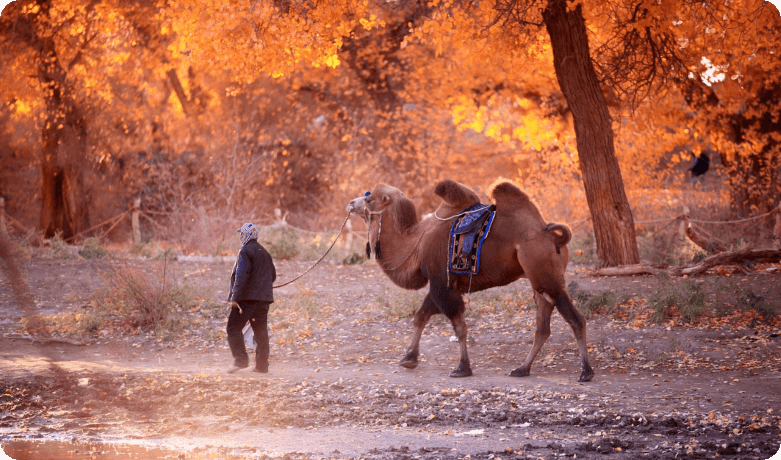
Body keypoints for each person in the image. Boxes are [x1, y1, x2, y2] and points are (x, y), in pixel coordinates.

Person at [226, 223, 276, 373]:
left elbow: (241, 276)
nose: (241, 237)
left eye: (242, 234)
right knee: (260, 332)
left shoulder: (245, 251)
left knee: (233, 328)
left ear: (246, 235)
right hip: (263, 300)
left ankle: (241, 360)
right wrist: (261, 288)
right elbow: (272, 275)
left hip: (247, 300)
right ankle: (262, 366)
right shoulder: (265, 252)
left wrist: (235, 297)